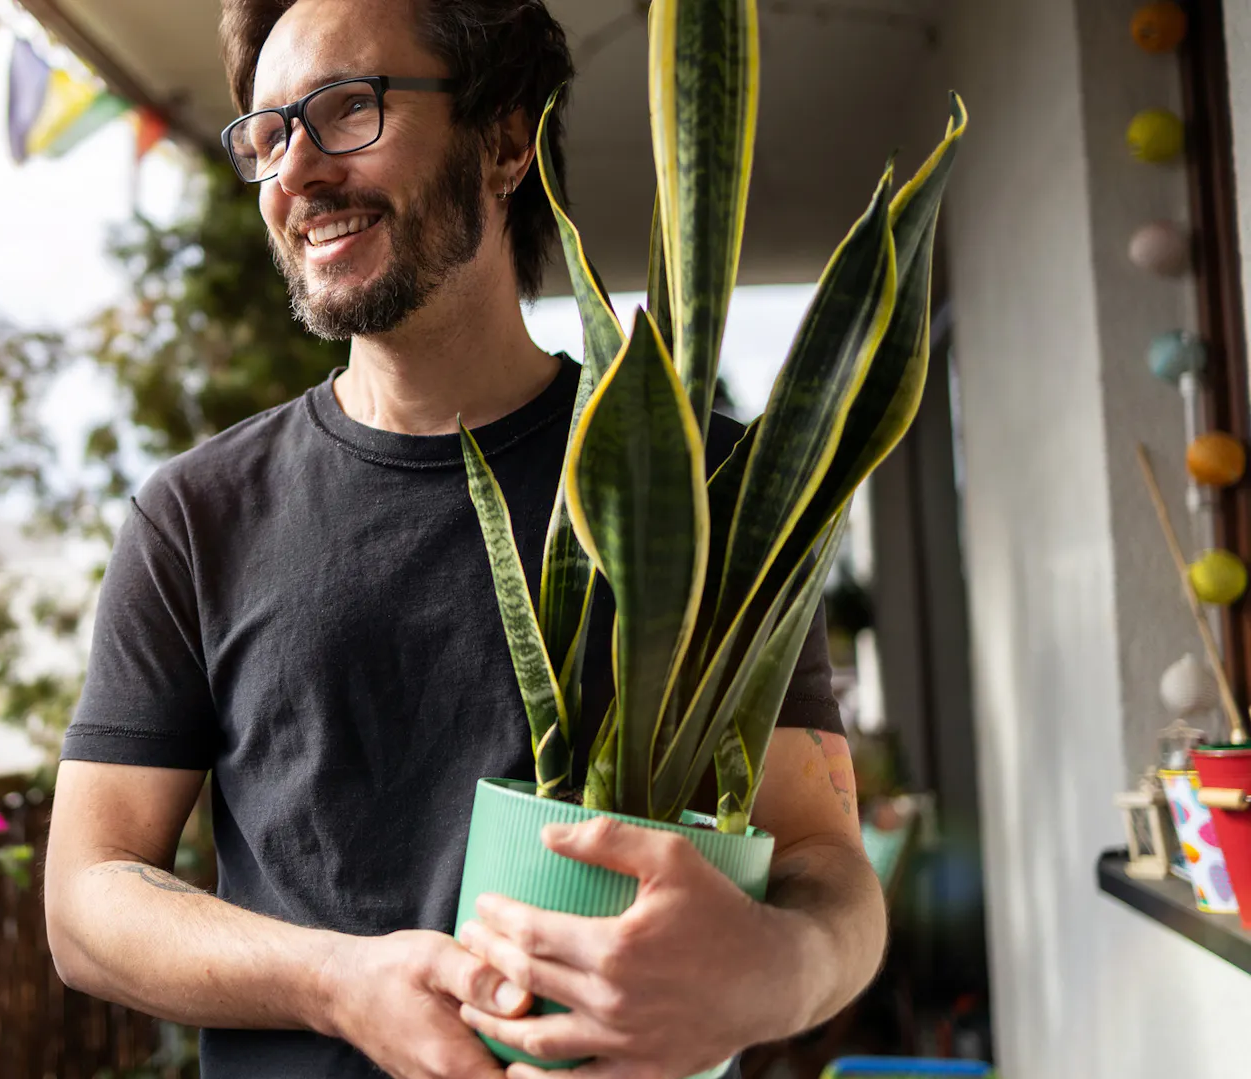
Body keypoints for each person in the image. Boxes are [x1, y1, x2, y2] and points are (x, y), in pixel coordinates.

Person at [43, 1, 886, 1076]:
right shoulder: (196, 515)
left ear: (503, 142)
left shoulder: (705, 487)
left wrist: (770, 967)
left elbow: (825, 862)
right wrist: (336, 981)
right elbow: (86, 898)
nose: (296, 170)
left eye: (347, 108)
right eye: (269, 133)